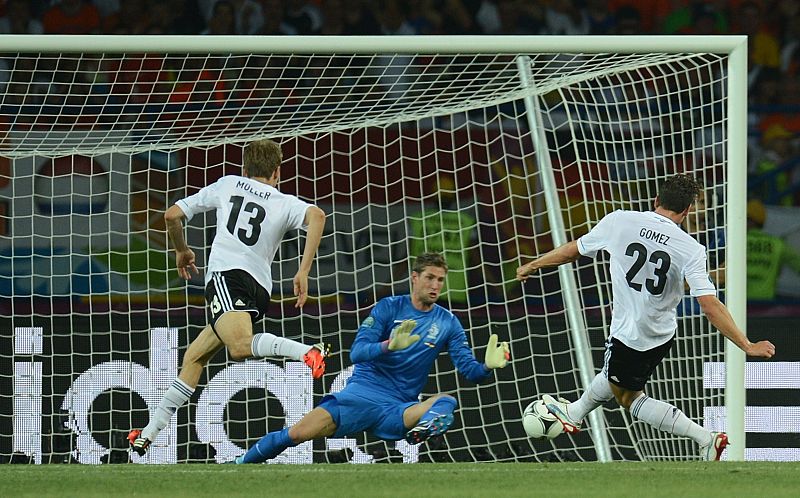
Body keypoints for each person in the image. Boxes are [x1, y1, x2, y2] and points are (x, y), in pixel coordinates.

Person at [516, 174, 776, 461]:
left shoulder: (620, 221)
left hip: (631, 334)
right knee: (617, 380)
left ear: (656, 200)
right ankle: (574, 413)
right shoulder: (691, 249)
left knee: (629, 398)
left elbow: (572, 251)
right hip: (661, 334)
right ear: (687, 210)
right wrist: (745, 343)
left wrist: (534, 264)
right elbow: (709, 304)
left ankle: (706, 439)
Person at [128, 139, 329, 456]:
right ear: (277, 172)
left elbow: (170, 216)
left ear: (245, 169)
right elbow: (317, 216)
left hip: (226, 277)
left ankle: (307, 351)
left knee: (238, 347)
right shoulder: (283, 201)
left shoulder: (228, 183)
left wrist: (181, 250)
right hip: (260, 290)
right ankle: (149, 433)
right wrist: (303, 271)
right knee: (194, 358)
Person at [229, 252, 510, 464]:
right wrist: (389, 345)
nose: (435, 285)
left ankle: (419, 433)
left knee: (447, 402)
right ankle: (240, 462)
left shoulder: (448, 323)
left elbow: (470, 372)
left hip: (398, 409)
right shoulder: (389, 307)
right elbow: (357, 352)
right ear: (415, 277)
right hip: (361, 395)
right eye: (429, 278)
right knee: (297, 434)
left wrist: (486, 366)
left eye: (440, 280)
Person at [746, 199, 800, 300]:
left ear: (749, 220)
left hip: (738, 303)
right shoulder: (777, 244)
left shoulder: (736, 242)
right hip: (766, 305)